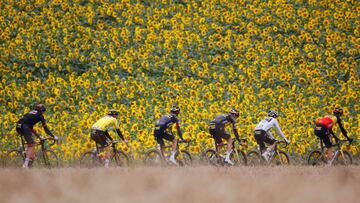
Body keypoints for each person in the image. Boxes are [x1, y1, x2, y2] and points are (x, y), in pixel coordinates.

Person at [16, 103, 58, 168]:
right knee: (32, 144)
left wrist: (39, 136)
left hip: (19, 126)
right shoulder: (40, 116)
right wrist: (53, 136)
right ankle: (25, 165)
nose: (43, 114)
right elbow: (46, 129)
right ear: (42, 111)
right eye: (44, 112)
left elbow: (30, 127)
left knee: (30, 141)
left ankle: (24, 150)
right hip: (24, 127)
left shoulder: (32, 113)